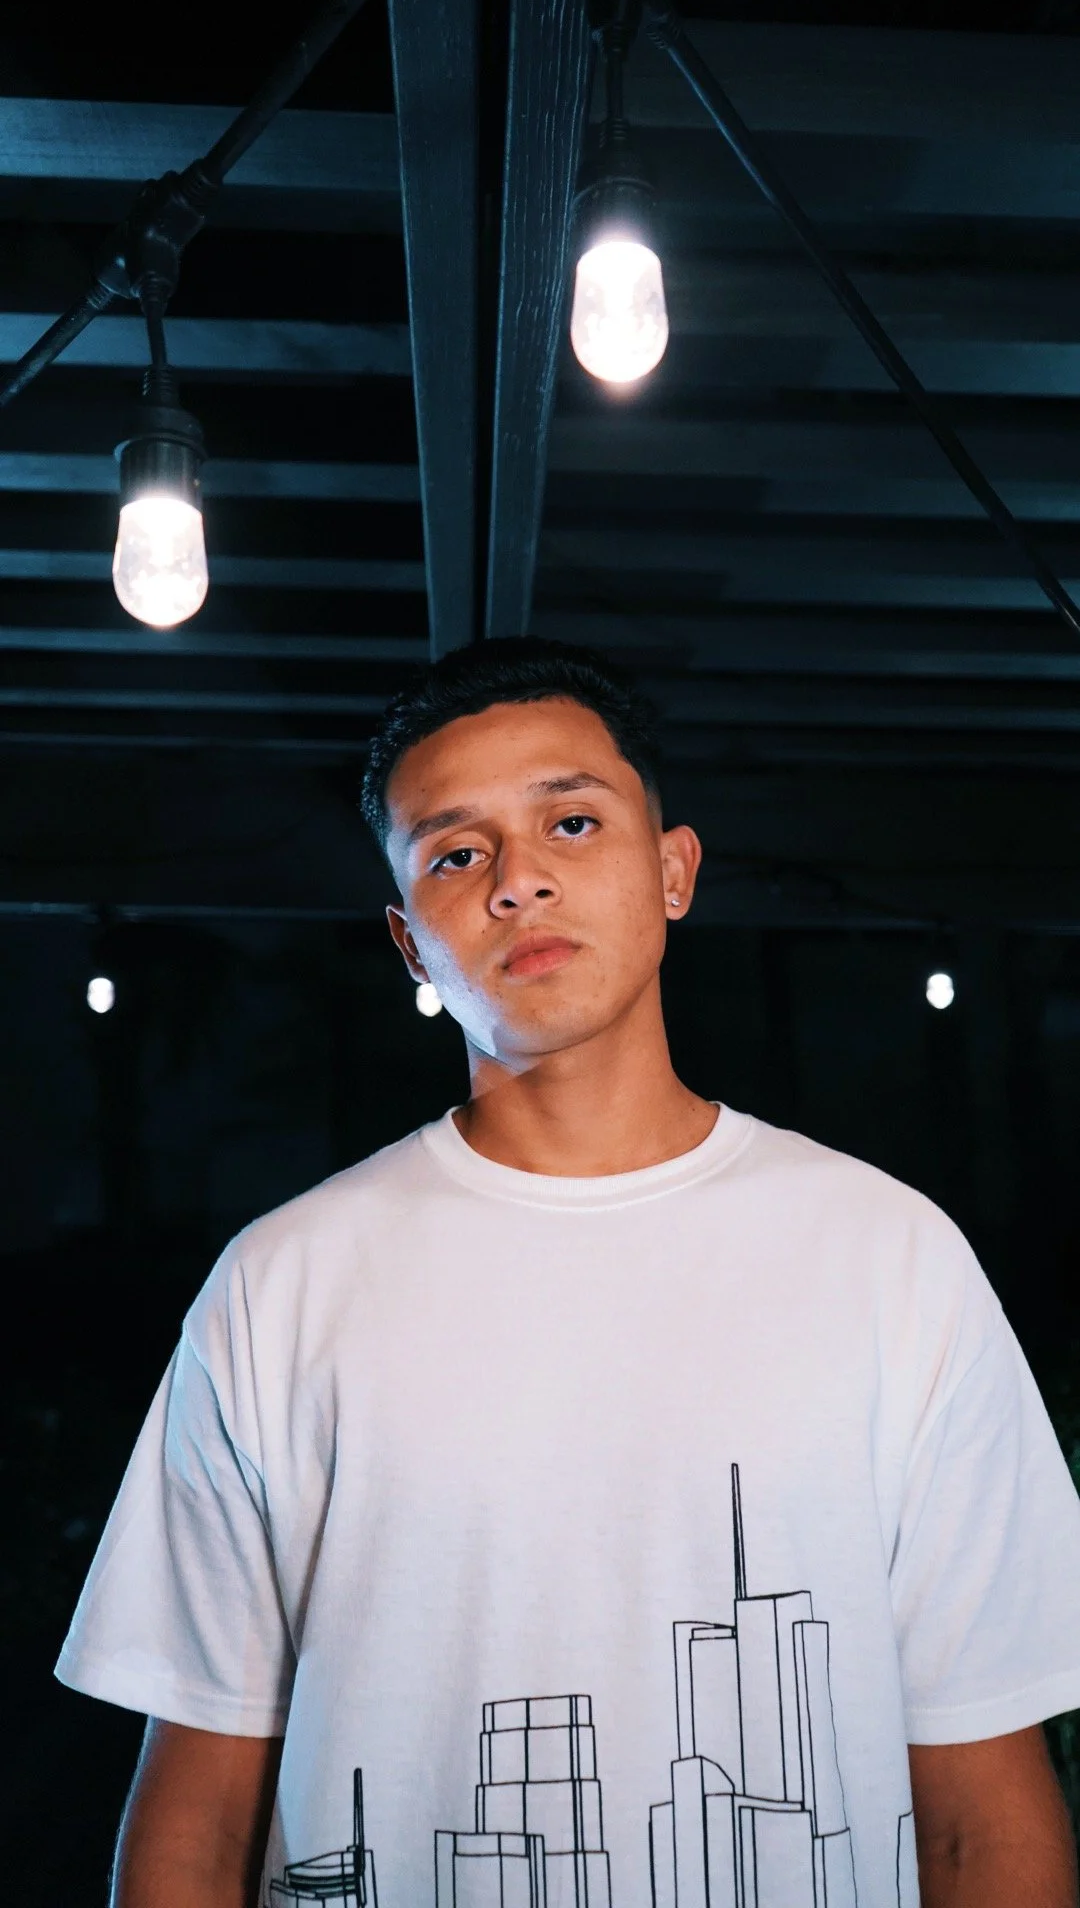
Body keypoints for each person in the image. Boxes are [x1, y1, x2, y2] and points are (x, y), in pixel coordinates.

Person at [58, 638, 1080, 1908]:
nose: (518, 882)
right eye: (455, 853)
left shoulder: (890, 1255)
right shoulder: (284, 1283)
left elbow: (982, 1810)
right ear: (410, 944)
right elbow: (200, 1812)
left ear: (672, 872)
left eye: (573, 821)